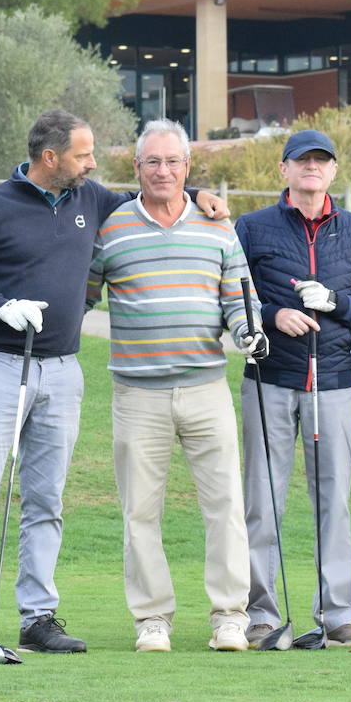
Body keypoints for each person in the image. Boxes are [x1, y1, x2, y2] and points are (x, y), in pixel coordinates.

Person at [0, 110, 228, 657]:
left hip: (62, 371)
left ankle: (38, 616)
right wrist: (1, 308)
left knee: (46, 499)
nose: (93, 163)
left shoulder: (91, 200)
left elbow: (156, 192)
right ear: (51, 158)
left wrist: (203, 192)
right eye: (83, 154)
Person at [85, 118, 267, 653]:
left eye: (172, 162)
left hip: (206, 388)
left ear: (188, 168)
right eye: (152, 162)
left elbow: (238, 301)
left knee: (226, 506)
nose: (163, 170)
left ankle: (230, 616)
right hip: (137, 394)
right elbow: (83, 293)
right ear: (136, 168)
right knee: (140, 511)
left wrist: (246, 334)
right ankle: (152, 620)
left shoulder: (218, 227)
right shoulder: (112, 228)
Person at [234, 129, 351, 649]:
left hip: (334, 384)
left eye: (321, 161)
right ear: (284, 171)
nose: (312, 169)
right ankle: (259, 614)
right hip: (270, 379)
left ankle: (337, 614)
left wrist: (334, 303)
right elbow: (233, 298)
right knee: (262, 499)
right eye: (302, 161)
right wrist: (275, 315)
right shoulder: (252, 228)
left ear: (333, 172)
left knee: (334, 501)